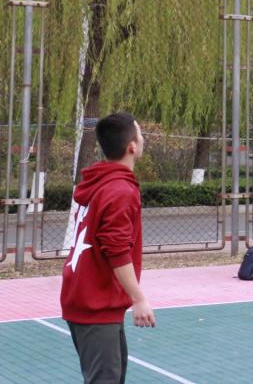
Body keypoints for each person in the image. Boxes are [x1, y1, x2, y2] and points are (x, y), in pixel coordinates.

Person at [60, 112, 156, 384]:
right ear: (132, 146)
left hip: (88, 298)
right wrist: (138, 298)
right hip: (95, 303)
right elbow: (116, 250)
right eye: (140, 133)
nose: (143, 138)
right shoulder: (120, 190)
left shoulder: (101, 182)